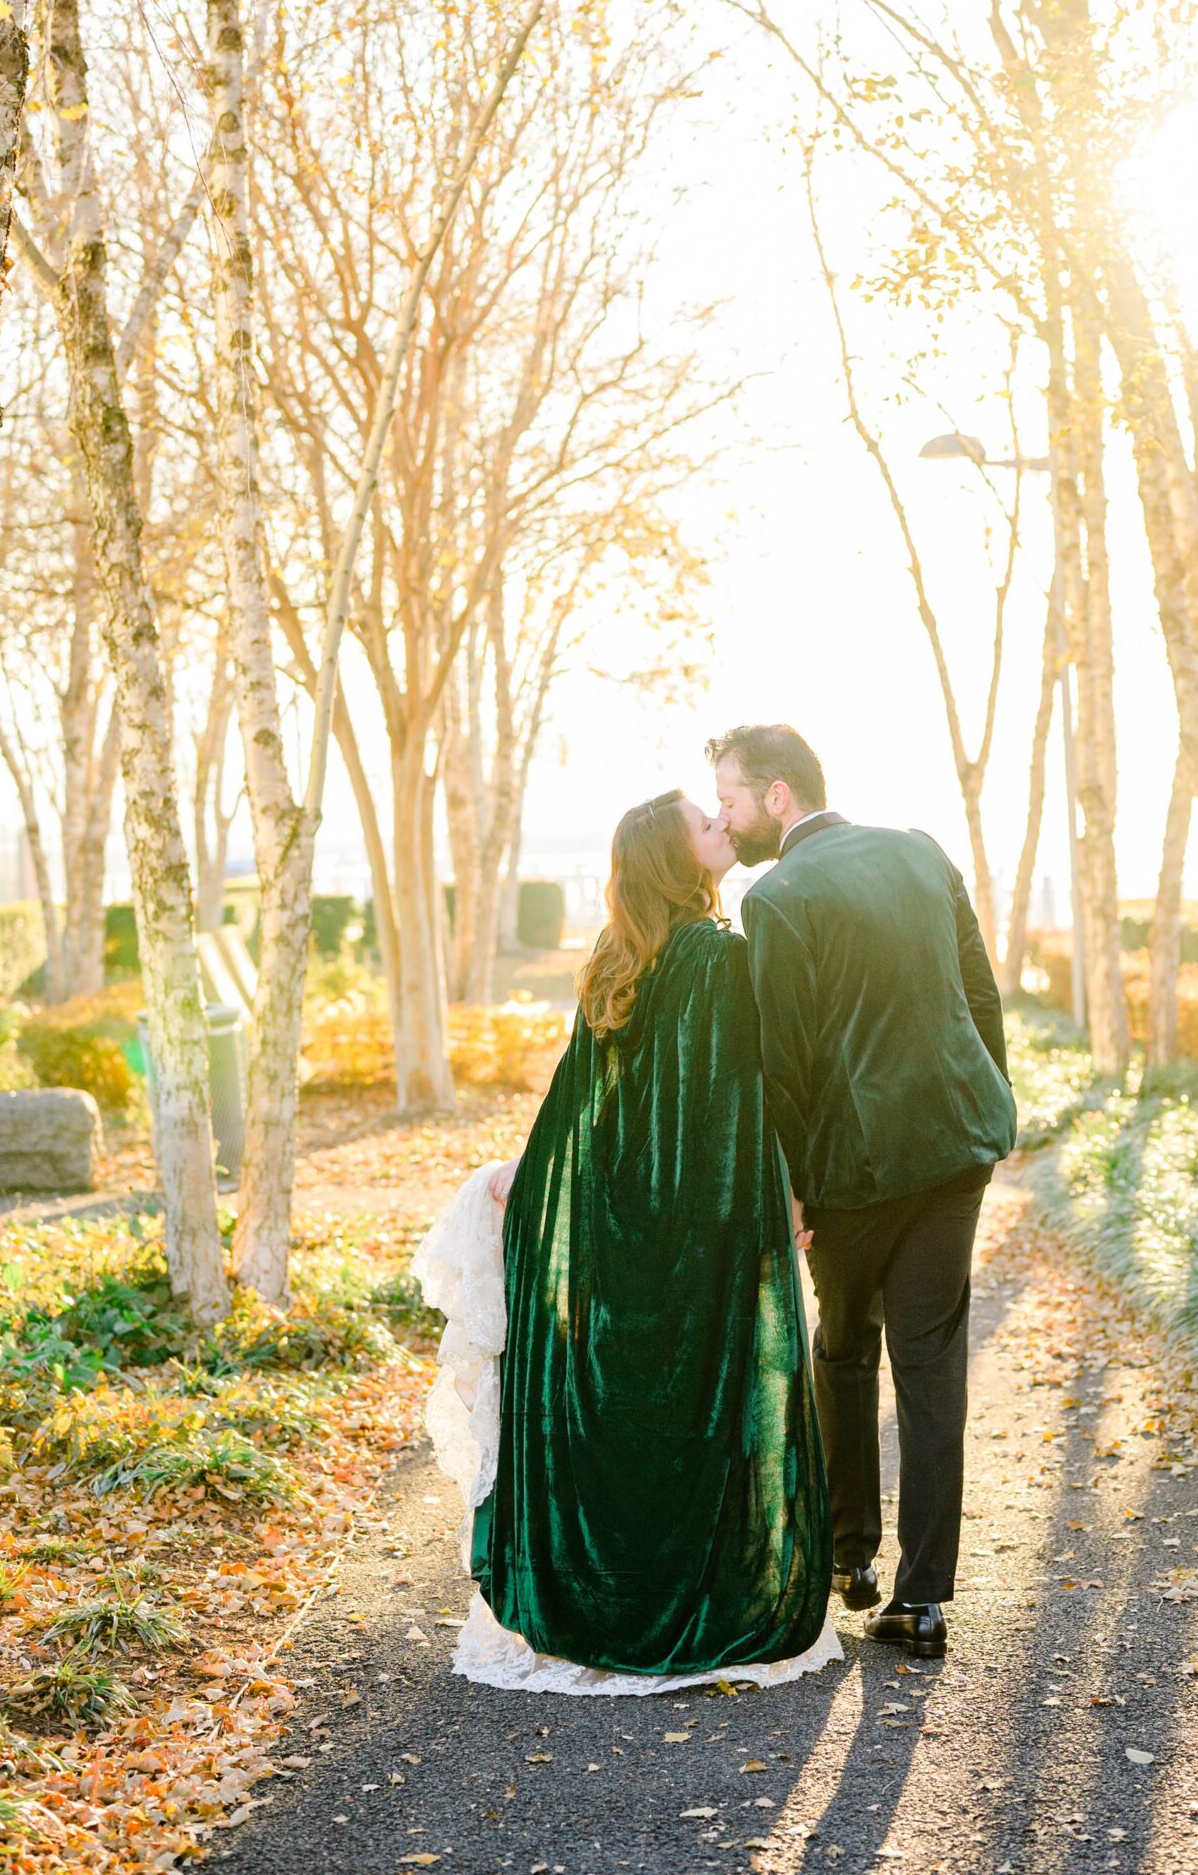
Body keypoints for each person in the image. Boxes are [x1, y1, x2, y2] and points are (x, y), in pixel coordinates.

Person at [425, 789, 839, 1695]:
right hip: (696, 1228)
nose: (724, 826)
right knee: (696, 1409)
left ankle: (604, 1591)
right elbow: (736, 1109)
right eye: (706, 823)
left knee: (631, 1411)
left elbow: (578, 1104)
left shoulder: (616, 960)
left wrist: (534, 1178)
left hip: (620, 1219)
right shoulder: (719, 960)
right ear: (673, 859)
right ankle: (696, 1593)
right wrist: (782, 1199)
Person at [710, 723, 1018, 1662]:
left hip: (853, 1171)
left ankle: (851, 1562)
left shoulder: (778, 897)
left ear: (776, 796)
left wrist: (793, 1185)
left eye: (728, 795)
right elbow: (980, 992)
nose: (722, 814)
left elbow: (785, 1064)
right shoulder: (919, 851)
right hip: (956, 1146)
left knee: (843, 1350)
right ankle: (923, 1602)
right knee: (929, 1365)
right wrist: (986, 1104)